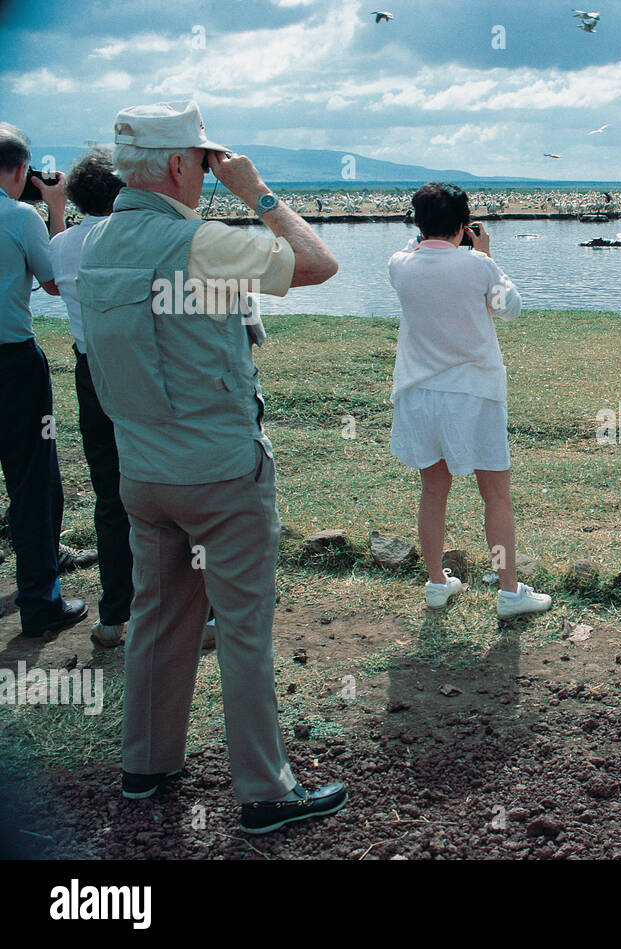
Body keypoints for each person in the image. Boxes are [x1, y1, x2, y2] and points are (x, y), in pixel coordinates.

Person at [77, 100, 345, 833]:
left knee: (158, 618)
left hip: (143, 472)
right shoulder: (202, 244)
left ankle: (147, 763)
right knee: (243, 630)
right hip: (222, 474)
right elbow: (320, 263)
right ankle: (265, 790)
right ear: (177, 165)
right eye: (201, 161)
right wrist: (257, 193)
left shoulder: (92, 242)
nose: (205, 172)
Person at [387, 183, 551, 619]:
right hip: (474, 394)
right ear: (465, 225)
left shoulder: (399, 265)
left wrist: (436, 235)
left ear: (417, 223)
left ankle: (437, 583)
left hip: (418, 395)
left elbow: (419, 250)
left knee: (433, 490)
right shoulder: (479, 266)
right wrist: (486, 253)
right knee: (495, 496)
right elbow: (508, 308)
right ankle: (509, 590)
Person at [0, 122, 87, 641]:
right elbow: (57, 283)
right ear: (19, 169)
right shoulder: (21, 217)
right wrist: (54, 208)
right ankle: (40, 603)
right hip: (11, 363)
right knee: (33, 483)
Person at [48, 149, 133, 648]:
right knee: (171, 482)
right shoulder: (130, 239)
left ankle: (113, 615)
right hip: (140, 367)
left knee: (109, 493)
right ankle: (198, 610)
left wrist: (56, 207)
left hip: (90, 371)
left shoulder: (62, 246)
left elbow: (56, 286)